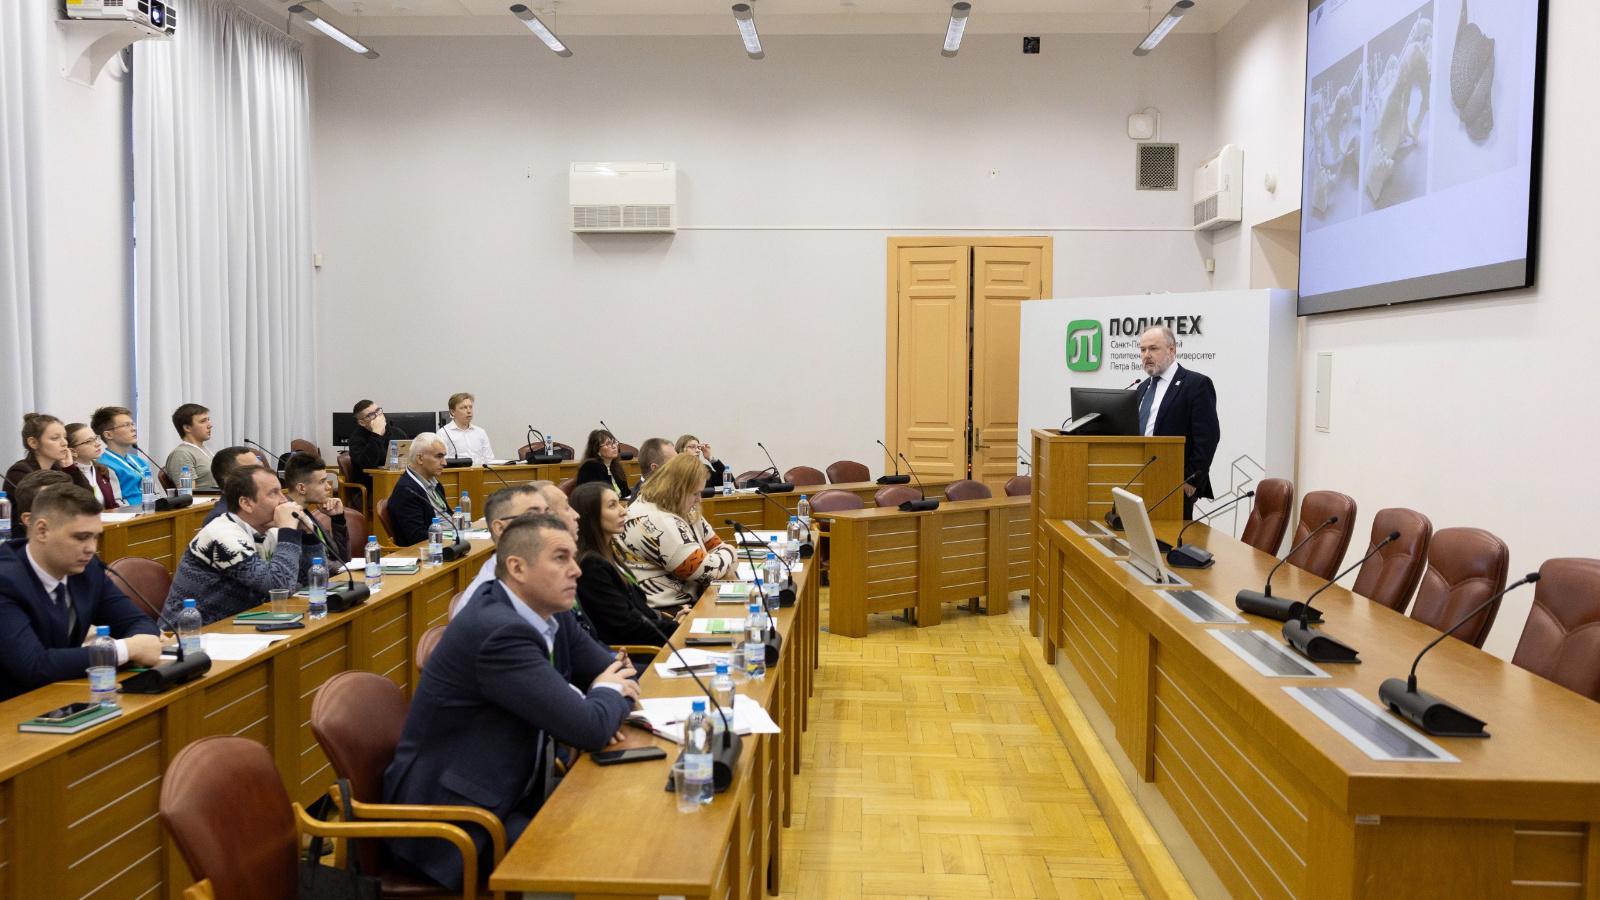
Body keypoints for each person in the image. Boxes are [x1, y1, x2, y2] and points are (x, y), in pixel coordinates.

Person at [383, 514, 639, 891]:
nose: (576, 570)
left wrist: (601, 702)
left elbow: (617, 680)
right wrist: (604, 697)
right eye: (561, 558)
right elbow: (591, 726)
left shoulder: (542, 613)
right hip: (455, 824)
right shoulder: (498, 632)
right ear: (517, 568)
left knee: (618, 820)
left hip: (510, 791)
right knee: (595, 854)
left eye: (573, 557)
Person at [0, 483, 162, 701]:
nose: (91, 548)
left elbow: (138, 622)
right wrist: (124, 650)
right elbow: (34, 666)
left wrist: (139, 644)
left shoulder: (87, 570)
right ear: (41, 530)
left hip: (59, 696)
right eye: (81, 537)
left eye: (95, 537)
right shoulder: (6, 580)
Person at [164, 465, 315, 625]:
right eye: (273, 493)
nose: (284, 501)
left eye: (281, 491)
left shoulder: (270, 532)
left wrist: (308, 535)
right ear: (246, 503)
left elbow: (314, 579)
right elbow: (280, 586)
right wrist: (288, 531)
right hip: (190, 632)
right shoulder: (221, 535)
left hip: (238, 625)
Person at [571, 481, 685, 649]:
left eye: (619, 503)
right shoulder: (591, 566)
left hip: (650, 639)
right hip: (636, 653)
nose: (623, 511)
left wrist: (674, 622)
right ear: (591, 515)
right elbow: (625, 626)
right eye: (612, 506)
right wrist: (679, 628)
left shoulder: (607, 553)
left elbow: (636, 612)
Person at [618, 453, 736, 612]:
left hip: (686, 600)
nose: (699, 499)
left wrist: (721, 554)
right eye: (695, 493)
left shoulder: (681, 505)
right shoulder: (657, 520)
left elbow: (714, 544)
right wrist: (730, 552)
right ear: (677, 489)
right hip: (665, 611)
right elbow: (708, 571)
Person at [1134, 325, 1220, 520]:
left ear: (1171, 349)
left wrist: (1191, 480)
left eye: (1153, 349)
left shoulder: (1196, 384)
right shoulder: (1142, 388)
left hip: (1174, 485)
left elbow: (1208, 438)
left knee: (1170, 538)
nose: (1147, 355)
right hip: (1139, 480)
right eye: (1143, 350)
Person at [453, 483, 549, 617]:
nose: (547, 523)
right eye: (532, 515)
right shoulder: (486, 602)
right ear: (500, 528)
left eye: (548, 514)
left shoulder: (541, 570)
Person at [6, 414, 91, 527]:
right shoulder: (19, 472)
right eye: (55, 438)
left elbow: (89, 502)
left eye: (64, 437)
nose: (64, 443)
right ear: (33, 442)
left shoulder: (59, 469)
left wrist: (70, 469)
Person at [283, 452, 350, 566]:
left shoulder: (306, 514)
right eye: (322, 482)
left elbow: (343, 559)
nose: (328, 487)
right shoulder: (289, 519)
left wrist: (337, 519)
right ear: (301, 488)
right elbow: (310, 565)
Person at [387, 433, 453, 547]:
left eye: (444, 457)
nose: (444, 463)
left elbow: (446, 516)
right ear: (420, 458)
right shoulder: (406, 491)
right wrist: (453, 536)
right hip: (431, 550)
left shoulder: (436, 485)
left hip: (449, 541)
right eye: (439, 456)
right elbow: (417, 537)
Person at [92, 406, 154, 507]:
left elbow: (156, 494)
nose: (133, 429)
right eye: (126, 425)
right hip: (132, 514)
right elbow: (116, 503)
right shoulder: (103, 466)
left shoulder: (141, 462)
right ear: (108, 435)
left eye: (132, 424)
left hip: (153, 510)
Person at [347, 399, 409, 491]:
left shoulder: (397, 432)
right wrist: (376, 433)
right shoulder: (356, 440)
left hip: (396, 484)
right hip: (369, 489)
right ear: (362, 423)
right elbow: (369, 463)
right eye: (371, 414)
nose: (378, 415)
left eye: (378, 410)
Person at [66, 422, 125, 509]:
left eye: (96, 438)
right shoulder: (66, 476)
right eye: (89, 441)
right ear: (72, 451)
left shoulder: (101, 470)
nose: (98, 444)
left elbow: (112, 505)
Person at [200, 446, 263, 525]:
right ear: (229, 480)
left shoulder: (255, 506)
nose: (262, 474)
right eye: (252, 470)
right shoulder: (221, 518)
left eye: (260, 467)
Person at [164, 403, 218, 492]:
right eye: (203, 421)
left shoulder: (207, 449)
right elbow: (187, 495)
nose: (210, 425)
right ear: (187, 428)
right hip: (208, 501)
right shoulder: (181, 454)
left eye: (208, 420)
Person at [439, 392, 494, 464]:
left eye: (470, 407)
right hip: (457, 471)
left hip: (480, 470)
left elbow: (489, 460)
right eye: (464, 407)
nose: (469, 411)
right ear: (453, 412)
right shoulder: (444, 433)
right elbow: (443, 462)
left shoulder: (480, 432)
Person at [574, 429, 630, 498]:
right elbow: (591, 497)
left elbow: (626, 493)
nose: (614, 446)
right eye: (608, 444)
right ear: (598, 451)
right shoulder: (589, 468)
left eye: (614, 442)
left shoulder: (615, 466)